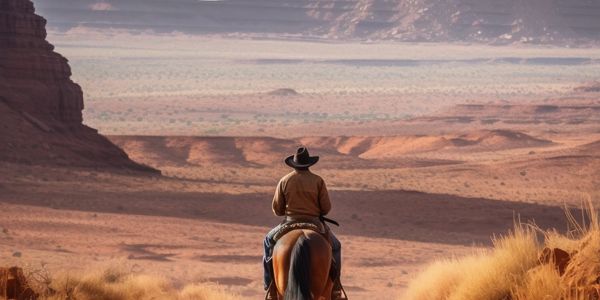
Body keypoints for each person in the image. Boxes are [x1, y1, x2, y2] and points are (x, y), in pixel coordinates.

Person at [262, 147, 343, 299]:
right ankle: (336, 289)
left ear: (293, 164)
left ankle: (269, 286)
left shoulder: (284, 181)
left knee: (268, 241)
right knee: (336, 246)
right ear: (309, 164)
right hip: (315, 224)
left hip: (289, 223)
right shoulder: (318, 181)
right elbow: (326, 208)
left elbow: (277, 210)